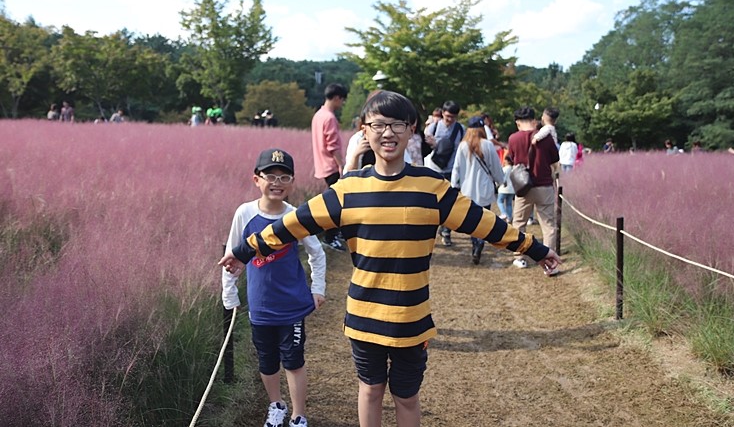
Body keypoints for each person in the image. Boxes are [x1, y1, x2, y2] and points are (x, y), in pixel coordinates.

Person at [219, 91, 560, 427]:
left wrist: (536, 249)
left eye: (398, 124)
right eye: (378, 125)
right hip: (365, 314)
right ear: (364, 131)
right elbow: (291, 224)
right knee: (370, 390)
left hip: (412, 317)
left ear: (412, 129)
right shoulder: (348, 189)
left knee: (406, 396)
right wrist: (245, 250)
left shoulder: (432, 187)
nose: (388, 133)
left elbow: (485, 224)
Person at [222, 148, 326, 427]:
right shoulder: (244, 213)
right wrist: (229, 292)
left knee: (293, 360)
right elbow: (232, 256)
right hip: (260, 304)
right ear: (256, 179)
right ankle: (276, 406)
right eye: (270, 176)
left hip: (291, 305)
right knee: (267, 361)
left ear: (292, 182)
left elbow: (317, 252)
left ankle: (298, 415)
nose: (277, 183)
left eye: (284, 177)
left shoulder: (295, 217)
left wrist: (318, 288)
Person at [507, 106, 560, 274]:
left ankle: (519, 258)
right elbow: (555, 159)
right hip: (544, 185)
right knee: (548, 225)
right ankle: (549, 263)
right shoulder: (546, 137)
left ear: (517, 123)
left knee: (519, 223)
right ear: (534, 121)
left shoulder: (513, 138)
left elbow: (512, 159)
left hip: (524, 187)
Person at [451, 116, 504, 264]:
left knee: (471, 220)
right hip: (485, 189)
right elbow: (495, 166)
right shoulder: (487, 145)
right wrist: (501, 181)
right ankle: (480, 241)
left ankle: (475, 243)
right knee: (484, 217)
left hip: (468, 189)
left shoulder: (463, 146)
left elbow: (456, 168)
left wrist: (454, 184)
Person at [311, 83, 348, 252]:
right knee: (336, 203)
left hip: (322, 164)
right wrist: (341, 164)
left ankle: (335, 233)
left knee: (333, 200)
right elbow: (332, 145)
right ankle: (330, 236)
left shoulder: (318, 115)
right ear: (336, 98)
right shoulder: (330, 118)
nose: (342, 103)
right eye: (342, 100)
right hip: (331, 165)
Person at [423, 100, 464, 247]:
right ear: (442, 114)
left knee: (449, 203)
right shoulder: (433, 127)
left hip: (451, 170)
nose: (450, 120)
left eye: (453, 117)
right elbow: (425, 145)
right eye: (447, 117)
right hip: (434, 168)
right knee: (433, 201)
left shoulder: (460, 129)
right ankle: (433, 229)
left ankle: (446, 232)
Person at [496, 155, 516, 224]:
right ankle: (509, 217)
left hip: (503, 188)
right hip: (512, 189)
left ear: (507, 161)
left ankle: (503, 213)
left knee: (500, 201)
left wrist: (497, 185)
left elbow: (501, 178)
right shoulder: (513, 169)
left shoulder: (504, 169)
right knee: (509, 204)